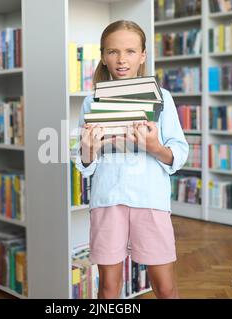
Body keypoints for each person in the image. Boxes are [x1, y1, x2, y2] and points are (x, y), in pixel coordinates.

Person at [75, 20, 189, 299]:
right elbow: (86, 165)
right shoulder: (92, 102)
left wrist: (154, 146)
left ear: (143, 55)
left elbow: (179, 151)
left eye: (129, 51)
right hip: (107, 200)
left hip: (150, 200)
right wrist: (88, 149)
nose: (121, 59)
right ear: (103, 56)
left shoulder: (163, 98)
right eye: (113, 51)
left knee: (165, 287)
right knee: (108, 288)